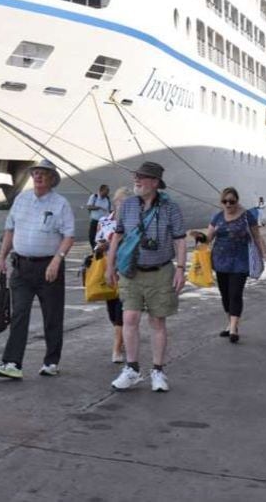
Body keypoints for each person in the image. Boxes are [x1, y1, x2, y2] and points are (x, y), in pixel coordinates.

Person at [0, 159, 76, 379]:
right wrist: (2, 257)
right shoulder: (21, 199)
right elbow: (10, 229)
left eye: (43, 173)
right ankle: (12, 363)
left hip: (49, 267)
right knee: (19, 314)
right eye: (35, 173)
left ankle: (51, 361)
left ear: (52, 179)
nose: (37, 176)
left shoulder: (60, 204)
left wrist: (57, 260)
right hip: (21, 266)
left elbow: (68, 236)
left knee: (52, 316)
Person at [106, 161, 187, 393]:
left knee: (157, 321)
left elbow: (180, 239)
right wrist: (109, 266)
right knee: (130, 318)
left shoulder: (170, 207)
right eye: (136, 177)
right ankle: (131, 369)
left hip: (161, 272)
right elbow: (117, 236)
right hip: (131, 271)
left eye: (142, 177)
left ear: (155, 183)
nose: (137, 180)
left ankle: (158, 371)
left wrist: (181, 268)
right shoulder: (128, 205)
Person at [196, 187, 266, 344]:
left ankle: (234, 328)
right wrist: (199, 238)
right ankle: (230, 323)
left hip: (240, 261)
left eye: (231, 201)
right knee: (225, 295)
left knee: (235, 293)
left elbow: (257, 237)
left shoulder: (247, 217)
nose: (228, 204)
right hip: (220, 261)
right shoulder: (217, 217)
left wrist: (265, 254)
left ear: (237, 201)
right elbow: (208, 238)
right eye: (225, 201)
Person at [93, 187, 131, 363]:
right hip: (108, 268)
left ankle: (116, 348)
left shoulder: (134, 222)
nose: (121, 205)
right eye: (119, 201)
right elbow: (97, 241)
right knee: (112, 310)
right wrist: (101, 247)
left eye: (125, 202)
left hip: (126, 270)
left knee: (120, 310)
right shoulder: (104, 221)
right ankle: (122, 337)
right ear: (114, 202)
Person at [86, 184, 111, 248]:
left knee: (102, 238)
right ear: (100, 190)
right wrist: (99, 207)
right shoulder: (94, 197)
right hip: (95, 221)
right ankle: (94, 250)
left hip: (104, 223)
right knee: (92, 237)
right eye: (105, 192)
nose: (106, 194)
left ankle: (99, 251)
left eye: (108, 192)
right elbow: (89, 207)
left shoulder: (107, 199)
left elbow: (109, 210)